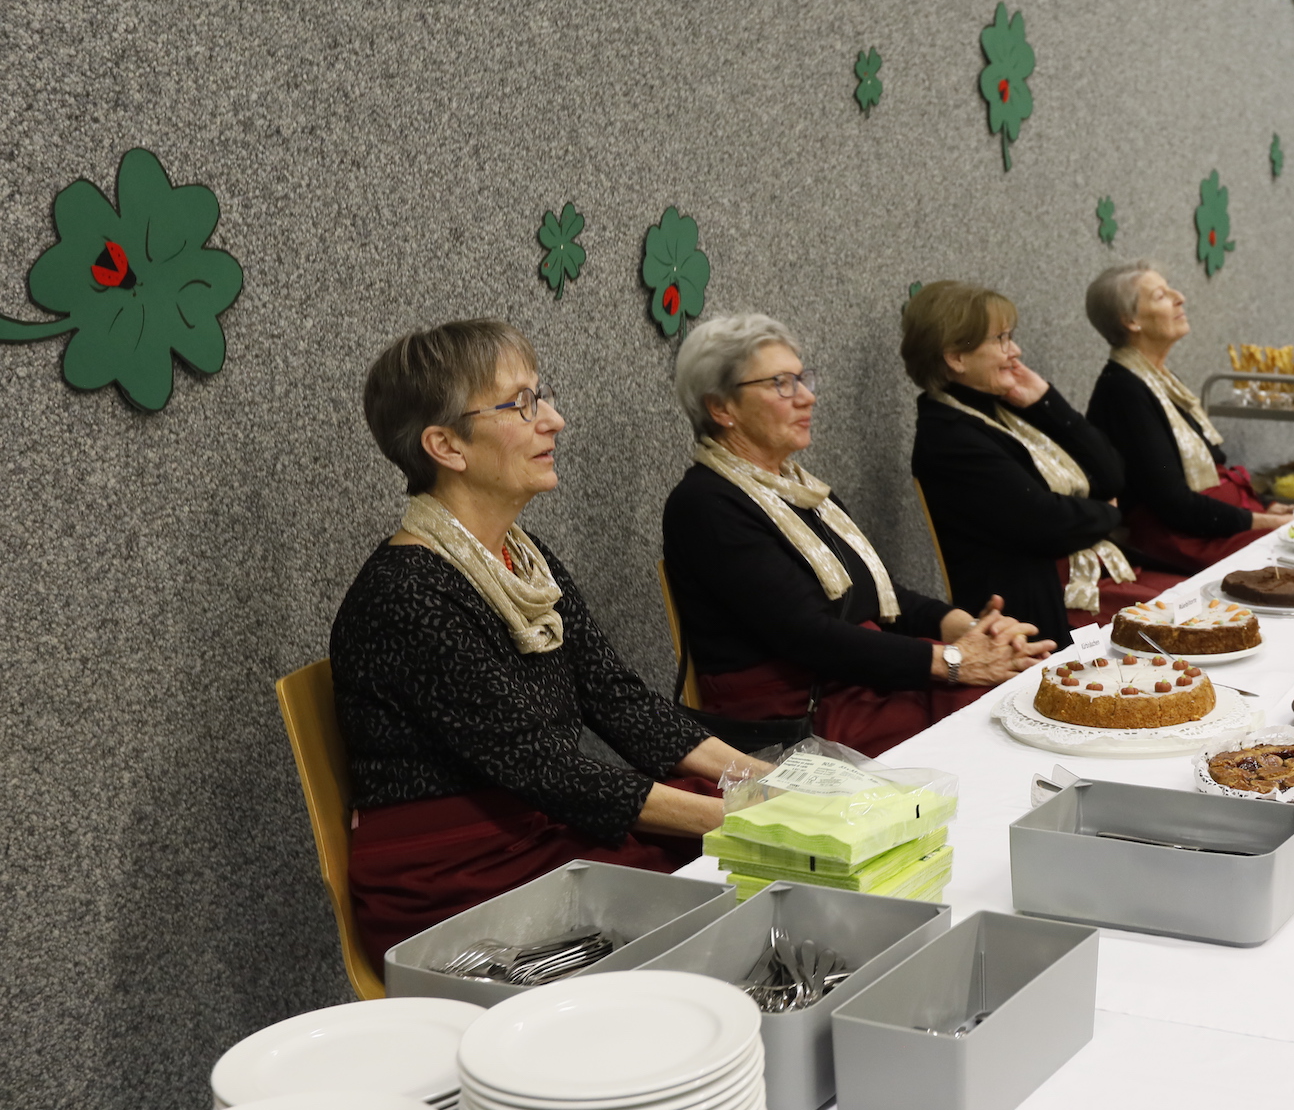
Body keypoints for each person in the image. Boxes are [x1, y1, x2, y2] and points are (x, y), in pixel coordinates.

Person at [332, 319, 752, 968]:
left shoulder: (524, 557)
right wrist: (748, 820)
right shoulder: (406, 596)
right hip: (457, 882)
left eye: (542, 395)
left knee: (750, 854)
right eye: (522, 403)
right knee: (746, 871)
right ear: (445, 445)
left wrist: (764, 782)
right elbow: (547, 768)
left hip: (536, 825)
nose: (553, 419)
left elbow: (616, 699)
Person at [663, 313, 1051, 758]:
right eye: (781, 384)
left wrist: (975, 630)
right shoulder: (705, 505)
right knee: (1001, 714)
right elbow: (808, 636)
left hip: (856, 680)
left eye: (802, 379)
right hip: (798, 715)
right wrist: (955, 661)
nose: (807, 397)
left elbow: (882, 594)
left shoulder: (802, 490)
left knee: (1021, 684)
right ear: (721, 408)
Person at [905, 280, 1163, 650]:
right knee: (1177, 625)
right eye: (1001, 339)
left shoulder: (1004, 406)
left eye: (1011, 336)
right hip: (1037, 610)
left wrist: (1045, 400)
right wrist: (1108, 513)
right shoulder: (948, 438)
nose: (1016, 351)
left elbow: (1111, 474)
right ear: (956, 357)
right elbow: (1047, 521)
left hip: (1080, 576)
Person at [1084, 262, 1294, 573]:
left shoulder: (1160, 379)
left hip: (1212, 523)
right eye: (1161, 296)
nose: (1180, 298)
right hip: (1181, 538)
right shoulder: (1123, 392)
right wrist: (1270, 523)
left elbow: (1213, 465)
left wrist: (1269, 506)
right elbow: (1173, 504)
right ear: (1130, 321)